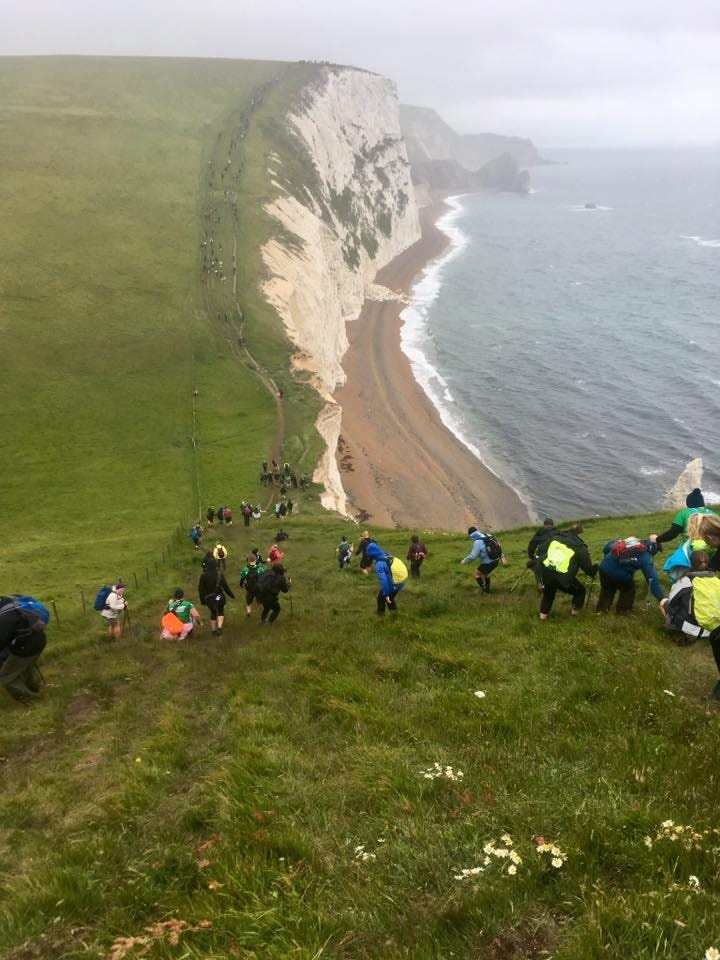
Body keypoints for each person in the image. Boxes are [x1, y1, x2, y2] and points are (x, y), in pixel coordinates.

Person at [538, 525, 597, 620]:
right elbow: (587, 568)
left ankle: (542, 618)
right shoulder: (580, 547)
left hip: (547, 572)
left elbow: (541, 550)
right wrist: (593, 571)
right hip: (563, 577)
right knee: (580, 591)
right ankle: (574, 615)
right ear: (579, 534)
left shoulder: (555, 538)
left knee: (549, 593)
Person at [596, 536, 665, 614]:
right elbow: (652, 580)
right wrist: (662, 598)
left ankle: (601, 611)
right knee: (628, 590)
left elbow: (607, 547)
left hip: (604, 568)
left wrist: (609, 557)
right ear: (654, 549)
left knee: (607, 589)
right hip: (620, 575)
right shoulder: (646, 557)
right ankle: (623, 612)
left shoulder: (633, 541)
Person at [0, 596, 49, 702]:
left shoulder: (3, 618)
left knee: (6, 677)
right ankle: (35, 689)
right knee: (26, 667)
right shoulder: (13, 605)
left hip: (25, 647)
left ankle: (32, 700)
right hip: (39, 640)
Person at [198, 558, 235, 636]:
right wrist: (232, 595)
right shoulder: (219, 574)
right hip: (218, 596)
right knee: (220, 610)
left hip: (209, 598)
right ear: (215, 565)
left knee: (213, 613)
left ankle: (213, 630)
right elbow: (225, 587)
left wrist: (202, 600)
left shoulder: (203, 576)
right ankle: (220, 626)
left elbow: (201, 590)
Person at [460, 527, 504, 593]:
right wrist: (502, 556)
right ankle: (487, 590)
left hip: (488, 563)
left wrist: (464, 561)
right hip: (496, 560)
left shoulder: (477, 542)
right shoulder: (488, 535)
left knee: (477, 574)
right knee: (486, 574)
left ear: (471, 535)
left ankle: (484, 590)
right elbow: (497, 545)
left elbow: (473, 556)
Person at [366, 542, 404, 615]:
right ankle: (395, 614)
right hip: (399, 582)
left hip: (393, 584)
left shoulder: (379, 564)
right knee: (390, 599)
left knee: (381, 599)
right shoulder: (387, 555)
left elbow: (384, 580)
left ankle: (381, 616)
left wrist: (386, 594)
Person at [526, 518, 560, 591]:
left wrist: (532, 556)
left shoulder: (540, 532)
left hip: (542, 558)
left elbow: (532, 545)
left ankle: (540, 583)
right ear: (553, 525)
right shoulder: (558, 532)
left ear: (544, 525)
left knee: (531, 564)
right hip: (557, 558)